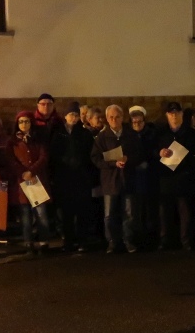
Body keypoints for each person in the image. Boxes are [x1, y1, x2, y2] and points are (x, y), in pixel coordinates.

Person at [92, 105, 144, 253]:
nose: (114, 120)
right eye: (111, 117)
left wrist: (129, 159)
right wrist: (112, 163)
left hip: (128, 179)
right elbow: (95, 158)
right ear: (107, 119)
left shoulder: (131, 135)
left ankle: (129, 240)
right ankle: (113, 242)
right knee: (109, 215)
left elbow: (140, 154)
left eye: (117, 117)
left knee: (129, 213)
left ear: (122, 118)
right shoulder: (102, 137)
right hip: (110, 180)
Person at [154, 101, 195, 250]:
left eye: (176, 112)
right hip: (166, 178)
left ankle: (186, 241)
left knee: (185, 212)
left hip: (184, 178)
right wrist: (159, 152)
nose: (174, 115)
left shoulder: (192, 134)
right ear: (167, 115)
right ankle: (166, 240)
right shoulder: (161, 133)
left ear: (182, 114)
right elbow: (152, 152)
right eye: (171, 113)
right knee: (165, 213)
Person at [50, 102, 96, 253]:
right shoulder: (58, 134)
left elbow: (90, 155)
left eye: (76, 115)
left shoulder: (85, 134)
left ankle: (83, 240)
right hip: (63, 178)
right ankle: (68, 241)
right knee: (66, 212)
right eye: (71, 115)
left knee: (82, 210)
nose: (74, 118)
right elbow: (53, 155)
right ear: (65, 116)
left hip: (81, 177)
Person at [9, 111, 53, 251]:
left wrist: (32, 171)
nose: (24, 124)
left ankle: (44, 241)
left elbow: (43, 157)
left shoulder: (38, 139)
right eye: (21, 122)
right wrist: (22, 172)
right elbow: (11, 160)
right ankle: (28, 241)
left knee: (41, 212)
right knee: (25, 213)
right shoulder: (13, 142)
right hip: (22, 182)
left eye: (26, 121)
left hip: (37, 179)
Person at [128, 106, 159, 248]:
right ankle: (138, 239)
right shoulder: (128, 135)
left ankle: (151, 238)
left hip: (149, 176)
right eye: (134, 122)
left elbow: (154, 151)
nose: (137, 125)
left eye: (139, 122)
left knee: (150, 208)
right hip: (134, 177)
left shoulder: (152, 134)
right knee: (135, 210)